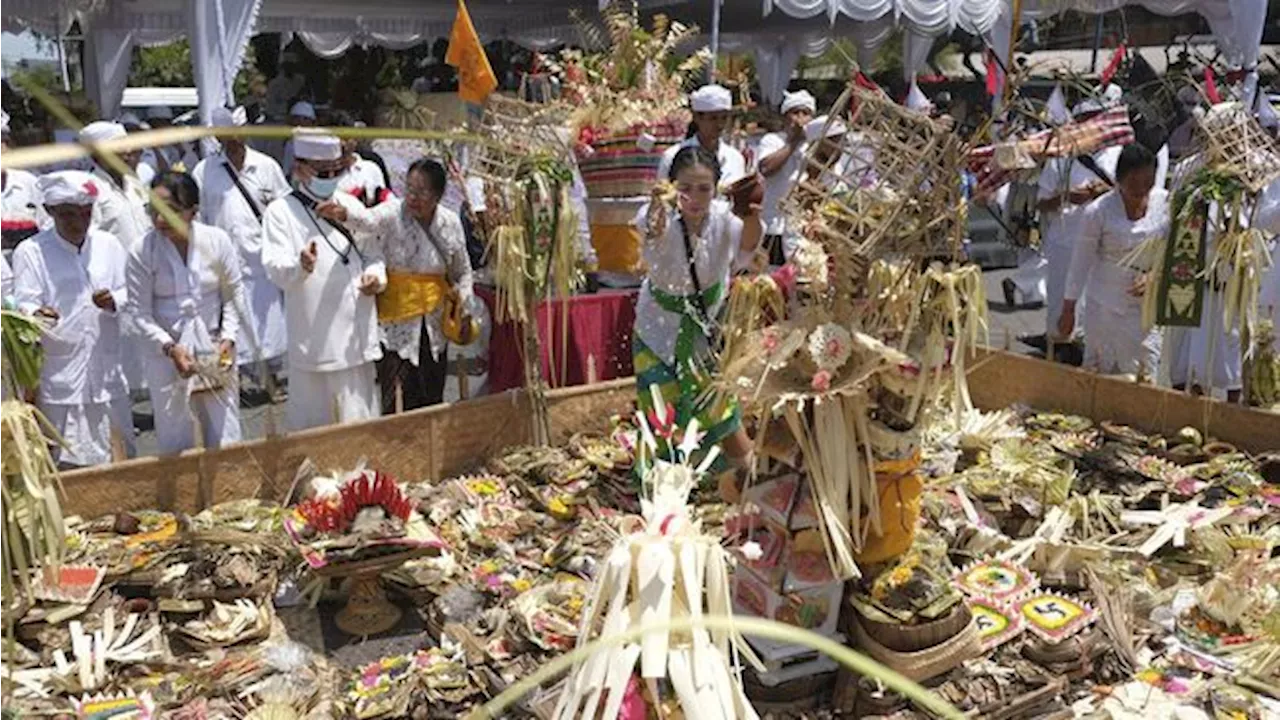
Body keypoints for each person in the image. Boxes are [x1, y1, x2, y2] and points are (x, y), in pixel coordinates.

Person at [634, 146, 762, 471]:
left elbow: (748, 247)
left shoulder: (724, 219)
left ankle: (748, 473)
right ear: (672, 186)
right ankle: (664, 483)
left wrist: (752, 213)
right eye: (685, 188)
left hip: (706, 326)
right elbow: (653, 229)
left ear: (716, 188)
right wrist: (658, 203)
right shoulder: (659, 213)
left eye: (704, 189)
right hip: (657, 329)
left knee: (719, 407)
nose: (694, 197)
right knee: (660, 408)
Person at [262, 131, 386, 431]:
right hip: (315, 341)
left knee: (361, 423)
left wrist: (376, 278)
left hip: (356, 338)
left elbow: (374, 253)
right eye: (322, 172)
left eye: (336, 171)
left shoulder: (349, 205)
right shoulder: (281, 212)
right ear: (300, 168)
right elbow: (274, 268)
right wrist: (301, 266)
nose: (330, 177)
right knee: (315, 430)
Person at [330, 158, 474, 412]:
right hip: (395, 324)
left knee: (431, 397)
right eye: (409, 189)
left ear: (439, 195)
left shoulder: (450, 223)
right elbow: (366, 220)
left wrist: (464, 304)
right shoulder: (392, 212)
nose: (413, 197)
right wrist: (344, 213)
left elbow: (463, 272)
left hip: (435, 325)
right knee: (395, 398)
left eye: (422, 192)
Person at [14, 172, 134, 467]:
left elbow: (130, 291)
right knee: (68, 460)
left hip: (106, 369)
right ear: (52, 212)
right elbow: (24, 304)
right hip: (63, 373)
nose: (79, 223)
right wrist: (37, 314)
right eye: (69, 215)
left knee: (119, 452)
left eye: (85, 214)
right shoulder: (32, 252)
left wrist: (114, 301)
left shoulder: (108, 245)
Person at [127, 171, 246, 454]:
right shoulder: (142, 251)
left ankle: (231, 494)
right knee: (176, 434)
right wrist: (170, 348)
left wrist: (228, 338)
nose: (159, 220)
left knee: (224, 430)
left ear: (193, 211)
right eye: (153, 211)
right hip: (167, 354)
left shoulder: (217, 241)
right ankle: (185, 497)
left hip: (215, 348)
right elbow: (140, 313)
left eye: (170, 211)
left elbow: (234, 295)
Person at [192, 107, 293, 390]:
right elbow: (198, 215)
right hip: (224, 261)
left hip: (261, 259)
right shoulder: (205, 171)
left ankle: (273, 375)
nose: (235, 139)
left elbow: (284, 207)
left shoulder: (266, 166)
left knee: (269, 321)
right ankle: (243, 376)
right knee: (234, 322)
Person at [1058, 144, 1168, 379]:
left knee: (1144, 372)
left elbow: (1175, 254)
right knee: (1099, 372)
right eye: (1133, 183)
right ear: (1119, 180)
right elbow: (1080, 263)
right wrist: (1068, 309)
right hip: (1104, 307)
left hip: (1145, 310)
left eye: (1147, 182)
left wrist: (1155, 276)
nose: (1141, 190)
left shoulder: (1166, 206)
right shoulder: (1098, 212)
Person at [1038, 99, 1123, 348]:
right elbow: (1042, 203)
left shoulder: (1118, 156)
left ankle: (1091, 352)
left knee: (1096, 303)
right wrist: (1067, 197)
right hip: (1066, 241)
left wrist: (1104, 192)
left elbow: (1134, 195)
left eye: (1096, 118)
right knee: (1060, 298)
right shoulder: (1061, 158)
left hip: (1104, 242)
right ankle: (1059, 349)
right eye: (1086, 119)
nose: (1091, 124)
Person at [79, 120, 152, 398]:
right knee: (122, 349)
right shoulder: (90, 189)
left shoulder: (134, 183)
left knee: (146, 344)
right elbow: (90, 241)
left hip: (146, 273)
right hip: (116, 281)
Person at [757, 90, 815, 265]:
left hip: (804, 227)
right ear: (785, 117)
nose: (800, 118)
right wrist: (792, 143)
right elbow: (766, 168)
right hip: (774, 225)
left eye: (805, 113)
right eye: (795, 112)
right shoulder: (772, 140)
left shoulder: (814, 145)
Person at [655, 84, 746, 188]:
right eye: (713, 118)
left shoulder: (735, 158)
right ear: (696, 118)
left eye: (724, 118)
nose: (720, 124)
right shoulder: (671, 156)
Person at [331, 112, 390, 206]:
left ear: (355, 139)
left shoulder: (371, 169)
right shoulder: (317, 174)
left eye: (346, 138)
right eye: (336, 139)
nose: (342, 144)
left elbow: (385, 206)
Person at [281, 101, 318, 176]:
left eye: (305, 119)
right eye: (296, 118)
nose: (300, 122)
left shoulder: (316, 144)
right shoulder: (283, 142)